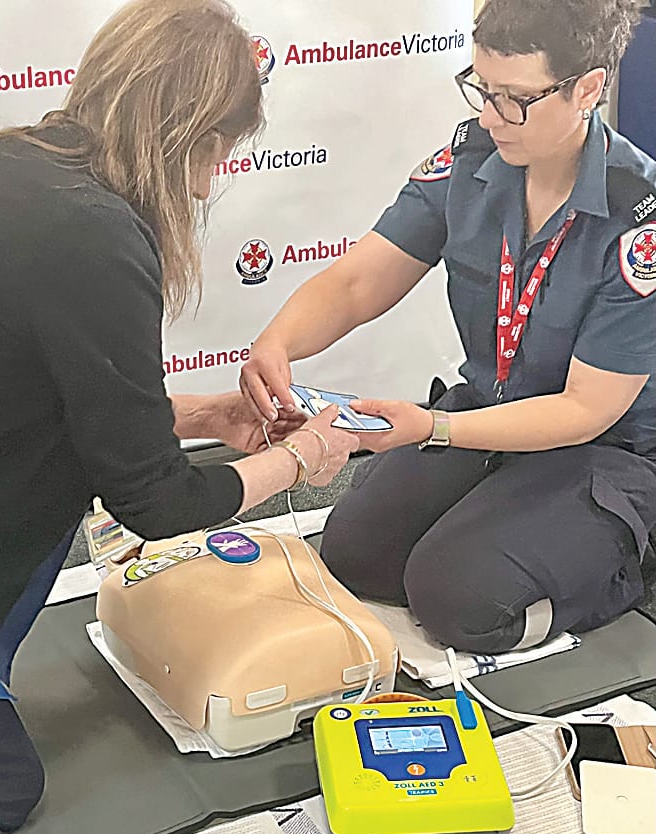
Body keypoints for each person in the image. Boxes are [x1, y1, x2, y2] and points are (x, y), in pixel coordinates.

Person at [0, 0, 359, 834]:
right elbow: (154, 501)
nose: (211, 183)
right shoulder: (94, 237)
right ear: (188, 137)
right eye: (216, 153)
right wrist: (306, 455)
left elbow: (16, 395)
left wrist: (203, 412)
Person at [242, 0, 656, 659]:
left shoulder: (638, 218)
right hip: (486, 415)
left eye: (515, 99)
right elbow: (357, 281)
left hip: (601, 447)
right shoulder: (469, 160)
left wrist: (431, 428)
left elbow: (584, 410)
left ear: (587, 87)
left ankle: (627, 559)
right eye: (482, 89)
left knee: (458, 598)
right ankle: (504, 517)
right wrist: (275, 344)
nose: (490, 116)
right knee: (356, 554)